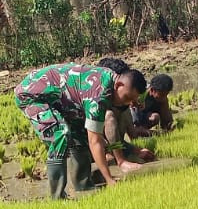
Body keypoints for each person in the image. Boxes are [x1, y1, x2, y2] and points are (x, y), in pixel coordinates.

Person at [15, 62, 147, 199]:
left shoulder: (111, 81)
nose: (127, 103)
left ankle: (83, 187)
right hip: (32, 95)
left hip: (63, 100)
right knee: (60, 134)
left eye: (132, 100)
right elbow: (95, 141)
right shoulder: (98, 96)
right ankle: (57, 198)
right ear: (118, 85)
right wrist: (109, 179)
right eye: (126, 98)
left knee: (80, 134)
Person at [96, 57, 154, 173]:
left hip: (111, 147)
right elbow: (94, 140)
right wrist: (120, 159)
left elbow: (126, 137)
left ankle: (116, 155)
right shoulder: (96, 99)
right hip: (89, 147)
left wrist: (136, 150)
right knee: (109, 116)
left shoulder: (121, 105)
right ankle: (116, 157)